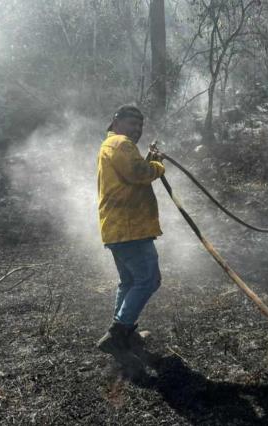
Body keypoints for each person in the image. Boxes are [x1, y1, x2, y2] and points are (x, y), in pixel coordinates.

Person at [96, 105, 166, 361]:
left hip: (118, 229)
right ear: (116, 122)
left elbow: (132, 174)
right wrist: (158, 165)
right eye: (131, 123)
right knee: (148, 279)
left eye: (140, 126)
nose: (136, 130)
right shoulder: (121, 143)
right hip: (130, 228)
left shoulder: (111, 146)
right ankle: (118, 334)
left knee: (129, 281)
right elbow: (140, 173)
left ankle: (122, 335)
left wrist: (149, 160)